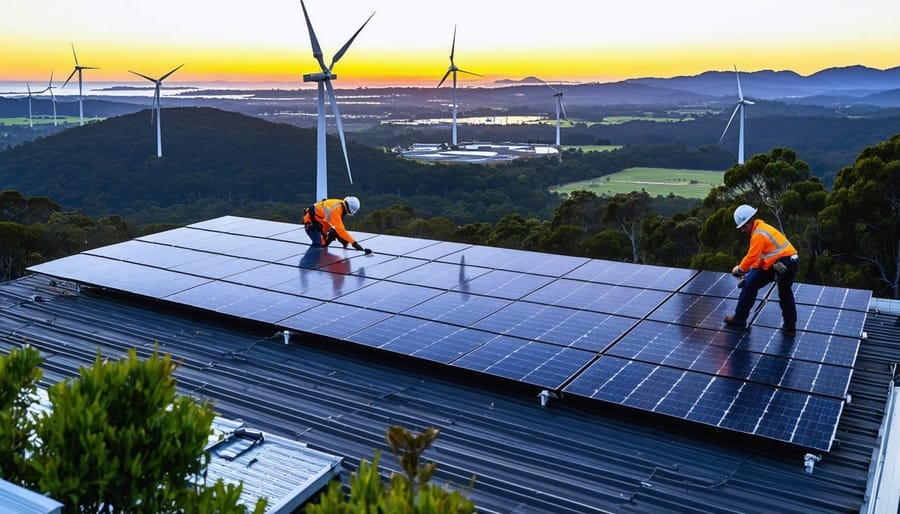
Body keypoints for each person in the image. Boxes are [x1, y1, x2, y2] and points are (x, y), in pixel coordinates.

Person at [724, 204, 799, 333]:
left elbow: (751, 256)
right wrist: (749, 275)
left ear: (751, 220)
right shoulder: (763, 228)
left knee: (749, 286)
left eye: (744, 226)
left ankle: (739, 319)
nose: (743, 230)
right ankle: (790, 325)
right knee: (785, 293)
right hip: (791, 261)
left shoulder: (758, 234)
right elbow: (759, 258)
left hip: (781, 263)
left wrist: (740, 269)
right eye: (741, 228)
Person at [303, 196, 371, 254]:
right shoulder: (336, 211)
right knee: (317, 244)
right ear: (350, 210)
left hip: (321, 222)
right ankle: (310, 264)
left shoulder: (341, 204)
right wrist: (354, 243)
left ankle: (321, 257)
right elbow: (341, 230)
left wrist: (344, 239)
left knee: (329, 237)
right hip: (311, 223)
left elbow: (338, 227)